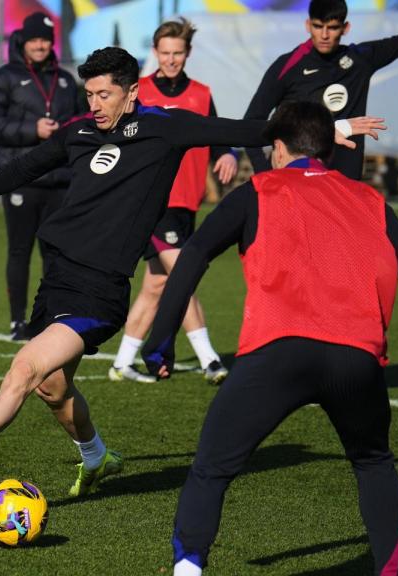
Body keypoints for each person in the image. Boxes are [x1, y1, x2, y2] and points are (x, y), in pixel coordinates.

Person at [0, 47, 382, 499]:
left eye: (104, 94)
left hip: (99, 290)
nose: (94, 104)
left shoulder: (163, 129)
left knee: (25, 369)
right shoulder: (79, 133)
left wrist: (328, 128)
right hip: (56, 280)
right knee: (53, 387)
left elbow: (244, 129)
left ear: (131, 92)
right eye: (89, 94)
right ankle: (96, 458)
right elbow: (22, 169)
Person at [141, 101, 398, 576]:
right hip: (356, 358)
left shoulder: (258, 190)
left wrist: (161, 341)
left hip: (278, 350)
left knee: (211, 469)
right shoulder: (369, 198)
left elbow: (193, 255)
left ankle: (188, 569)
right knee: (373, 462)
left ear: (277, 148)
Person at [108, 18, 235, 385]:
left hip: (186, 204)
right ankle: (210, 359)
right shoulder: (140, 91)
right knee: (184, 275)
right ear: (155, 53)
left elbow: (215, 133)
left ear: (187, 53)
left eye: (177, 53)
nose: (171, 59)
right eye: (165, 53)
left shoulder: (201, 93)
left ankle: (122, 362)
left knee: (156, 286)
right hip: (151, 204)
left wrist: (224, 153)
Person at [243, 0, 398, 179]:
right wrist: (266, 175)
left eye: (332, 28)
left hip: (345, 181)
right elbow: (251, 122)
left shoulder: (360, 59)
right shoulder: (288, 66)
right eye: (318, 26)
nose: (324, 35)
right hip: (296, 182)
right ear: (307, 25)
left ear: (345, 28)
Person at [0, 11, 81, 340]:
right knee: (20, 250)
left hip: (61, 179)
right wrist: (31, 130)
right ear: (23, 41)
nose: (40, 45)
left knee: (57, 251)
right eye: (35, 39)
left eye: (46, 40)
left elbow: (81, 122)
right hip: (22, 178)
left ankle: (51, 316)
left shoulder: (65, 80)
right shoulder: (4, 78)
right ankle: (17, 321)